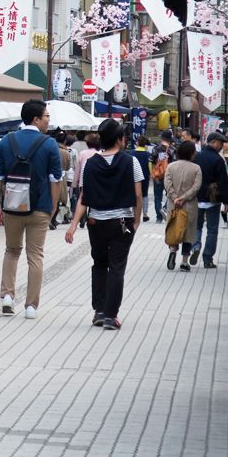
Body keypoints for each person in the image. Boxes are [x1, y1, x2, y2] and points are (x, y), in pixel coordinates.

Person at [0, 100, 63, 320]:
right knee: (35, 256)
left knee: (11, 251)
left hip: (12, 207)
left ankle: (7, 297)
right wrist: (52, 207)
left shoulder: (6, 141)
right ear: (36, 119)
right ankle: (31, 306)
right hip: (39, 207)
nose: (49, 120)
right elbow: (55, 180)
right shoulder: (49, 144)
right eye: (47, 116)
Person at [65, 119, 142, 330]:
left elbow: (84, 196)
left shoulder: (91, 163)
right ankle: (111, 315)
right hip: (121, 222)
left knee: (99, 264)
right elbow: (137, 194)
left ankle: (99, 311)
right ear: (119, 139)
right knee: (117, 267)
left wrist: (73, 225)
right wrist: (136, 220)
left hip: (96, 222)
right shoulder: (130, 161)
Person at [191, 130, 228, 269]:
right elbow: (223, 182)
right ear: (213, 142)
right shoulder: (218, 160)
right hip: (212, 199)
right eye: (220, 143)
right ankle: (208, 258)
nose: (221, 146)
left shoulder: (197, 157)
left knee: (197, 227)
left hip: (196, 198)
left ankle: (195, 247)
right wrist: (226, 201)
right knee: (212, 229)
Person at [162, 141, 202, 272]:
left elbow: (167, 184)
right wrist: (184, 198)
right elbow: (196, 187)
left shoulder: (171, 166)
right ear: (191, 153)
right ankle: (184, 262)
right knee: (188, 233)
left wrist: (175, 198)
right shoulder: (196, 168)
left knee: (174, 228)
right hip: (189, 204)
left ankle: (173, 251)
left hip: (173, 205)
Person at [71, 133, 100, 229]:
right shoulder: (100, 154)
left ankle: (83, 218)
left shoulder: (82, 153)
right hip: (96, 182)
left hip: (83, 181)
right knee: (93, 201)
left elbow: (78, 169)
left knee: (83, 200)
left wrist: (75, 183)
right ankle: (91, 217)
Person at [150, 131, 175, 221]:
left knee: (157, 196)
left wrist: (153, 175)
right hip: (169, 176)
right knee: (171, 195)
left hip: (158, 176)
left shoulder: (156, 149)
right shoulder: (173, 149)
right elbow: (175, 163)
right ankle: (165, 208)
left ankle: (159, 217)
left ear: (162, 138)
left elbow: (151, 161)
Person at [50, 130, 72, 229]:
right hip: (61, 178)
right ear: (65, 141)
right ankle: (53, 219)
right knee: (58, 199)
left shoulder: (51, 149)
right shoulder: (66, 153)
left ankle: (49, 219)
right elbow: (68, 167)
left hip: (48, 177)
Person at [131, 136, 152, 223]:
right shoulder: (148, 154)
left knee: (133, 194)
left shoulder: (131, 153)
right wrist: (150, 175)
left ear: (137, 143)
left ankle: (133, 213)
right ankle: (145, 214)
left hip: (133, 177)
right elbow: (150, 166)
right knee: (144, 195)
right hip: (145, 177)